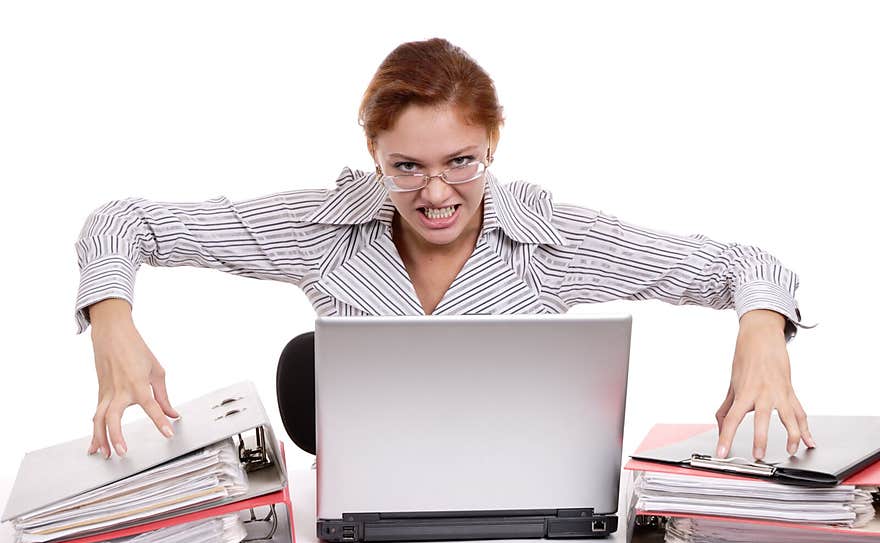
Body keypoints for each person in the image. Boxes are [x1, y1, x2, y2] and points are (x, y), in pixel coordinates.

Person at [76, 38, 812, 463]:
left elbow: (749, 267)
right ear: (375, 155)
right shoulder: (324, 229)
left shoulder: (549, 241)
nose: (435, 193)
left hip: (530, 533)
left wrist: (760, 332)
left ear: (494, 144)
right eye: (406, 168)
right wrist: (111, 319)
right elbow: (122, 221)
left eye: (462, 161)